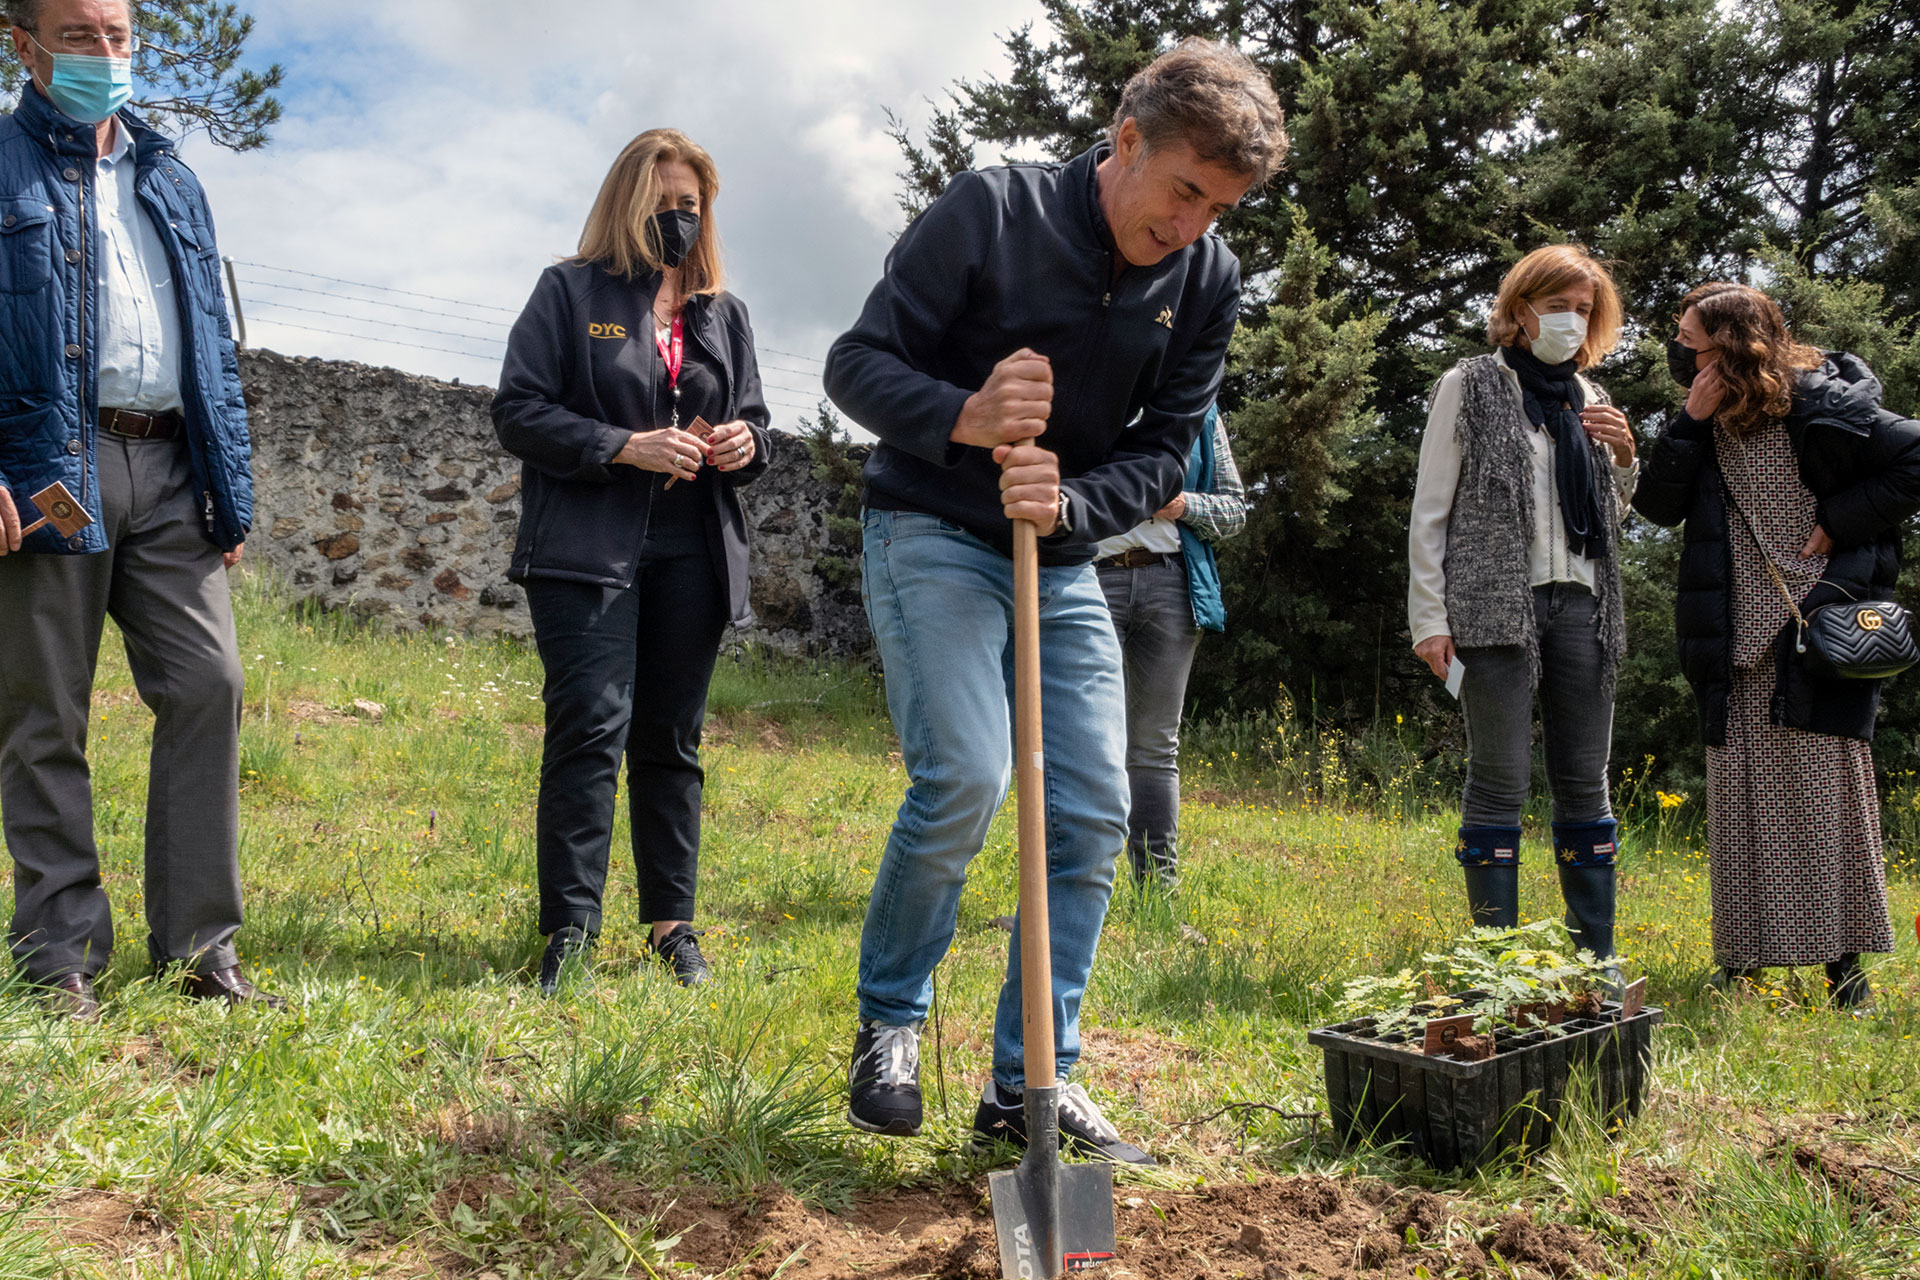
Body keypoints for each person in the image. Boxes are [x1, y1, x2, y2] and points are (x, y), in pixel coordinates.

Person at [824, 39, 1286, 1162]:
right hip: (932, 526)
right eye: (1183, 191)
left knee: (1090, 809)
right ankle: (889, 1020)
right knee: (971, 774)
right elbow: (855, 364)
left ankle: (1033, 1073)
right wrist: (967, 418)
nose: (1191, 227)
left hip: (1062, 553)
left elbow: (1170, 449)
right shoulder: (992, 211)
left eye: (1219, 209)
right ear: (1127, 141)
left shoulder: (1207, 279)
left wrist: (1073, 501)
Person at [0, 0, 281, 1019]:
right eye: (81, 36)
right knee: (47, 709)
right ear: (22, 44)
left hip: (170, 469)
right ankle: (59, 952)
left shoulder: (173, 178)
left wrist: (230, 485)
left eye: (120, 36)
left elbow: (212, 341)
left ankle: (201, 946)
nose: (107, 55)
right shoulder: (2, 166)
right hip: (49, 465)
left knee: (211, 681)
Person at [493, 129, 770, 994]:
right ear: (627, 203)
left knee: (671, 742)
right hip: (587, 550)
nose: (678, 218)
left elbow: (759, 423)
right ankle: (570, 930)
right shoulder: (568, 293)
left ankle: (672, 928)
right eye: (663, 203)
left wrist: (742, 441)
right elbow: (519, 413)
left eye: (690, 205)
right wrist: (623, 445)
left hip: (694, 548)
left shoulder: (724, 313)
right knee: (589, 731)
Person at [1633, 283, 1918, 1010]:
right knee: (1741, 802)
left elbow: (1914, 458)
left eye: (1690, 339)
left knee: (1828, 797)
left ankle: (1843, 972)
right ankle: (1742, 967)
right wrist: (1690, 422)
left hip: (1817, 624)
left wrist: (1844, 520)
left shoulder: (1820, 402)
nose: (1679, 349)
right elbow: (1657, 506)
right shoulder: (1703, 417)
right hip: (1731, 635)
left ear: (1730, 344)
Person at [1406, 245, 1638, 974]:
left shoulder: (1593, 401)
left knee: (1584, 778)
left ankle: (1593, 958)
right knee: (1499, 776)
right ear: (1521, 307)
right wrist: (1429, 618)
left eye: (1583, 309)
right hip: (1493, 606)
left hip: (1585, 608)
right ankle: (1495, 961)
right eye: (1559, 305)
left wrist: (1626, 460)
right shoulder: (1468, 385)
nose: (1571, 320)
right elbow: (1430, 510)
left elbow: (1611, 518)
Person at [1095, 403, 1246, 887]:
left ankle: (1157, 896)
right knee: (1081, 743)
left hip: (1172, 585)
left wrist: (1182, 506)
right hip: (1088, 580)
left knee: (1154, 747)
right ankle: (1057, 901)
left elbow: (1235, 510)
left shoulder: (1197, 410)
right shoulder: (1086, 386)